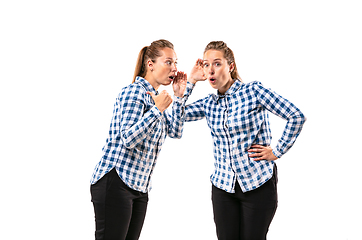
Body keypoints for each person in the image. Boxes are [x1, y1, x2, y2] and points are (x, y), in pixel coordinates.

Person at [185, 41, 306, 240]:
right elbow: (175, 117)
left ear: (230, 66)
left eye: (217, 63)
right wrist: (191, 82)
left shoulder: (253, 92)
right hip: (223, 187)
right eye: (206, 65)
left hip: (257, 185)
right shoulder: (209, 103)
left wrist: (276, 151)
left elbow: (296, 116)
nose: (211, 70)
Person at [90, 39, 189, 240]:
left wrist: (178, 97)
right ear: (150, 64)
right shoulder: (133, 92)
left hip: (139, 187)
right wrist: (157, 109)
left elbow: (175, 132)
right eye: (168, 62)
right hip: (116, 181)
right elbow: (127, 138)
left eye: (176, 63)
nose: (174, 68)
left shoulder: (157, 97)